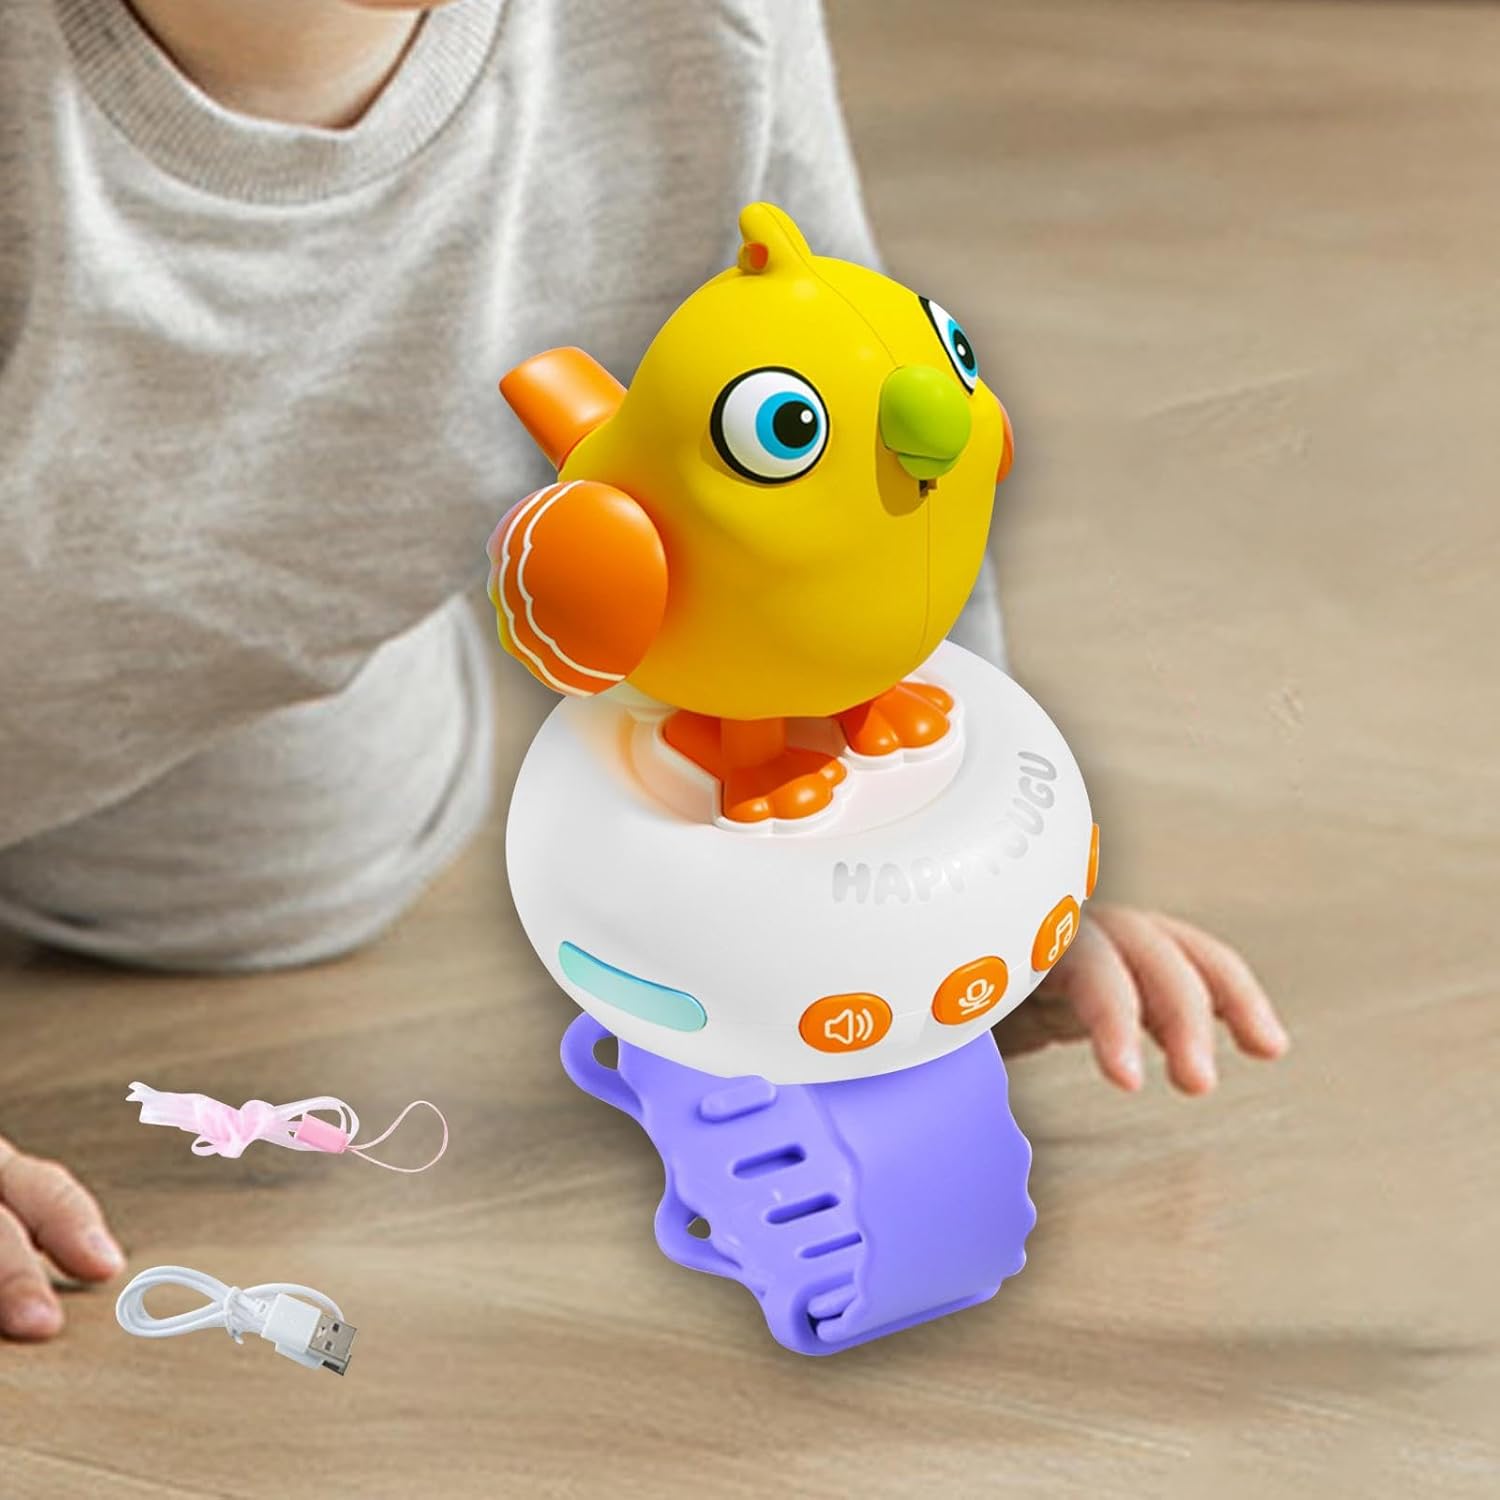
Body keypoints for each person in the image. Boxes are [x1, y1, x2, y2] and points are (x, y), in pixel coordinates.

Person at [0, 0, 1288, 1342]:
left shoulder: (698, 28)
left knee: (280, 870)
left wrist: (936, 907)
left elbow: (871, 485)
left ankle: (247, 582)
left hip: (204, 667)